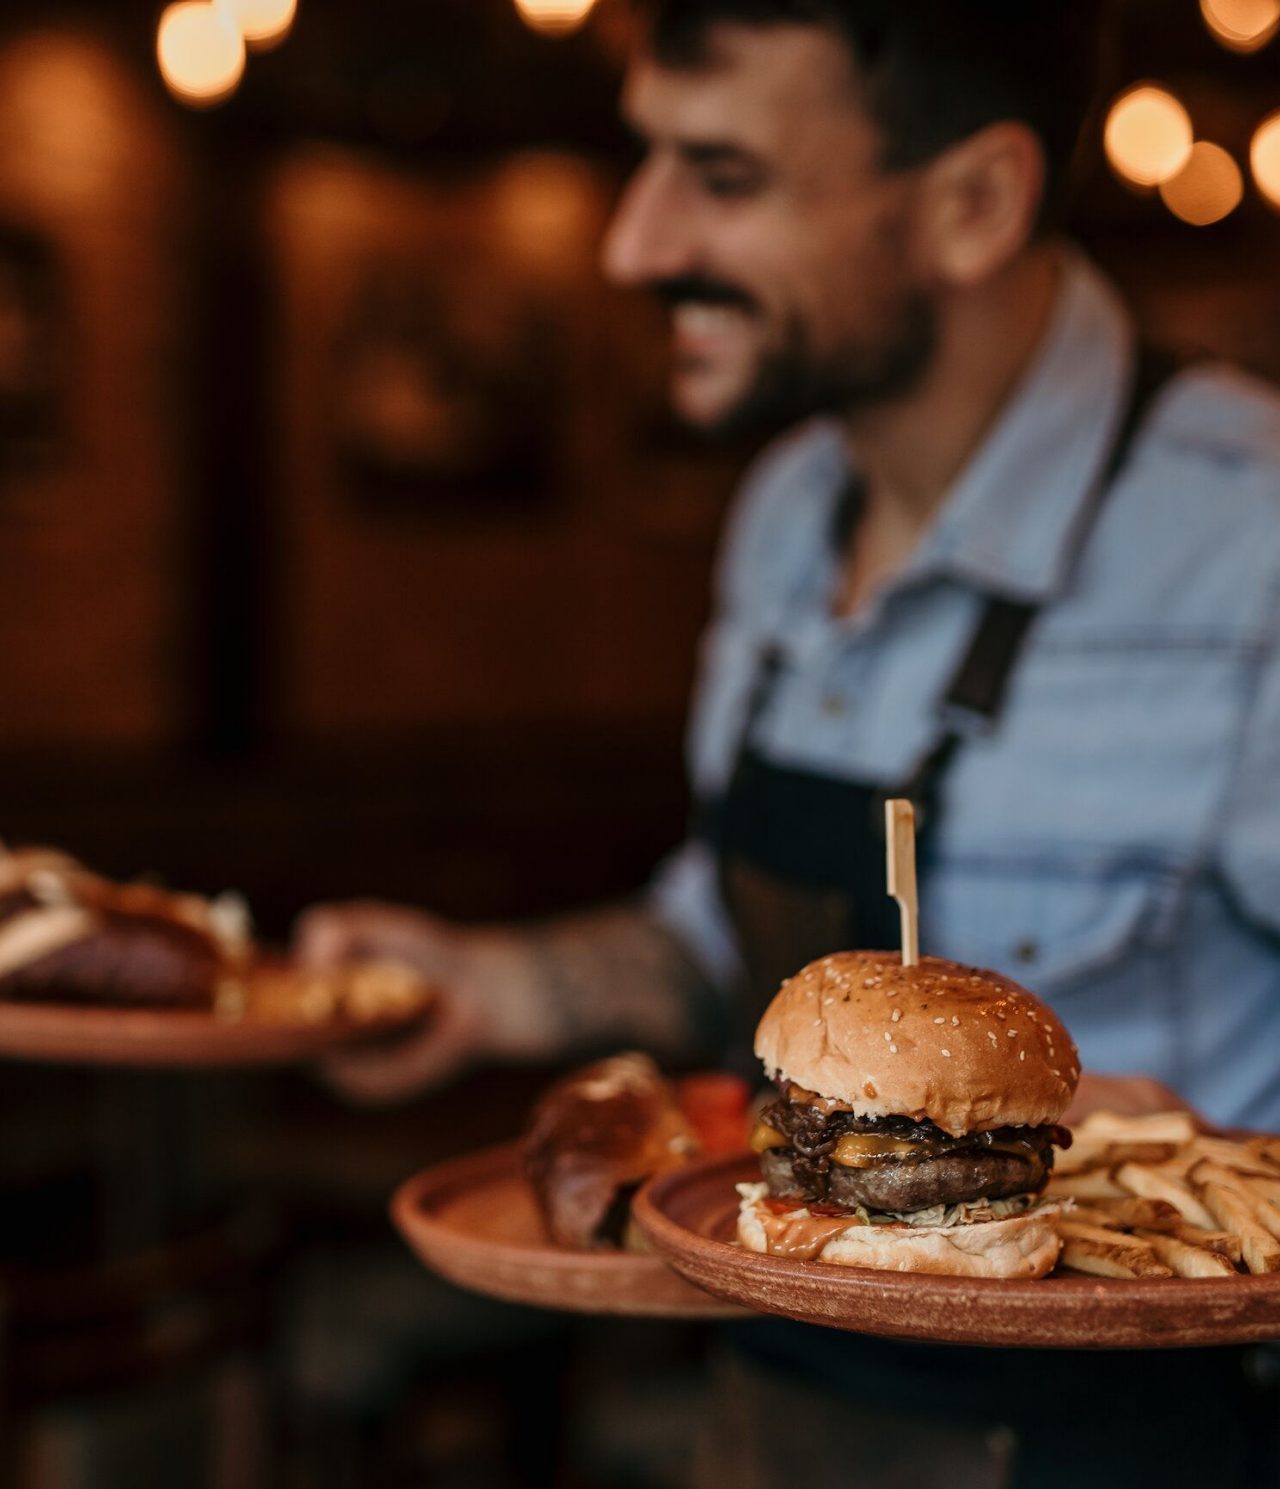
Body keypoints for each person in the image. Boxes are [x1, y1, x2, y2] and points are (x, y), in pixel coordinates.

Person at [297, 3, 1280, 1484]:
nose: (632, 243)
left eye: (725, 175)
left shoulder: (1252, 542)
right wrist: (489, 986)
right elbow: (732, 939)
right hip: (773, 1414)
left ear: (971, 203)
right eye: (648, 162)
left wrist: (1176, 1149)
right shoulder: (778, 514)